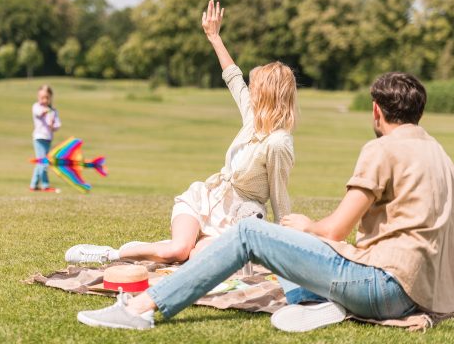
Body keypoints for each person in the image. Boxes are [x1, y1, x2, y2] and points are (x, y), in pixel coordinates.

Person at [75, 71, 454, 332]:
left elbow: (335, 228)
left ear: (376, 110)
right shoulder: (442, 156)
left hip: (382, 288)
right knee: (305, 249)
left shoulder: (382, 148)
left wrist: (305, 226)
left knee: (250, 233)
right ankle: (320, 300)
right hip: (419, 296)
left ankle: (143, 308)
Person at [65, 0, 297, 264]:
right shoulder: (253, 118)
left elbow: (280, 197)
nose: (249, 90)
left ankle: (154, 249)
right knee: (178, 252)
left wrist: (287, 251)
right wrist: (214, 36)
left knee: (195, 259)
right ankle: (109, 254)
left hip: (236, 218)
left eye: (254, 87)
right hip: (207, 198)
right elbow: (233, 77)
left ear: (267, 94)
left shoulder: (278, 143)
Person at [29, 84, 62, 192]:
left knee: (41, 162)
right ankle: (45, 185)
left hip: (48, 139)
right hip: (39, 138)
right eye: (42, 97)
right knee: (43, 162)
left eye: (47, 97)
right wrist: (45, 111)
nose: (44, 100)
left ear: (50, 97)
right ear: (38, 97)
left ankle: (33, 185)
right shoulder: (36, 107)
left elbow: (57, 125)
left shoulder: (53, 111)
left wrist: (53, 125)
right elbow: (38, 114)